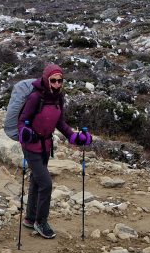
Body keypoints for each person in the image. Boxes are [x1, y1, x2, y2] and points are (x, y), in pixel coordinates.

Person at [17, 63, 93, 239]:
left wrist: (74, 137)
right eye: (54, 80)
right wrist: (25, 132)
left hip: (46, 145)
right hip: (31, 146)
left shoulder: (59, 98)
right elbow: (22, 121)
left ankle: (30, 218)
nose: (57, 84)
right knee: (46, 183)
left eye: (60, 80)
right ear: (46, 79)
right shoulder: (35, 98)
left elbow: (60, 122)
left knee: (37, 180)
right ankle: (40, 222)